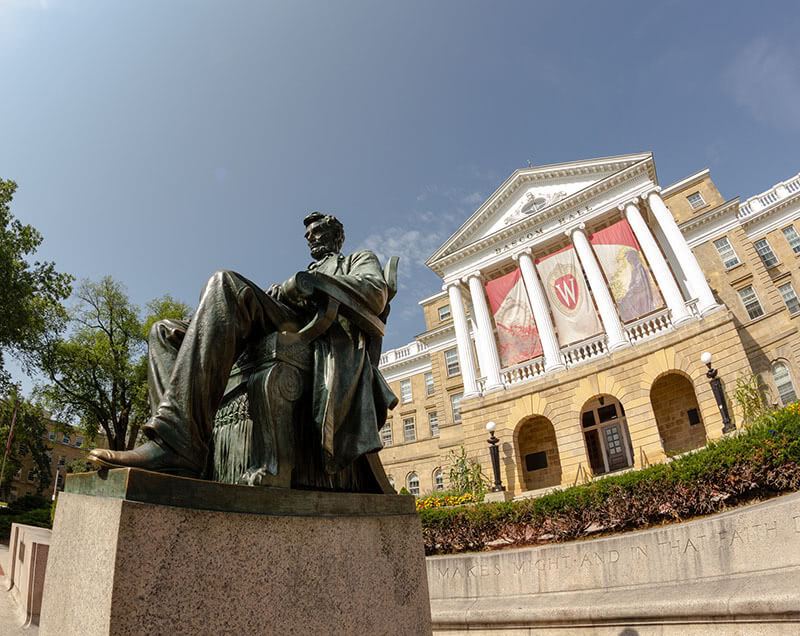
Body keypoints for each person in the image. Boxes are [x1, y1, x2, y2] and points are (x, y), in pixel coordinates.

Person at [88, 212, 397, 479]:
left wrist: (308, 284)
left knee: (225, 283)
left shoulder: (358, 259)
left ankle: (174, 446)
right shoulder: (310, 269)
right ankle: (176, 447)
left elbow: (375, 293)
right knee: (165, 331)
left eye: (317, 232)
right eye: (307, 235)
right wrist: (285, 289)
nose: (311, 239)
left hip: (319, 337)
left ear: (336, 235)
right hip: (287, 321)